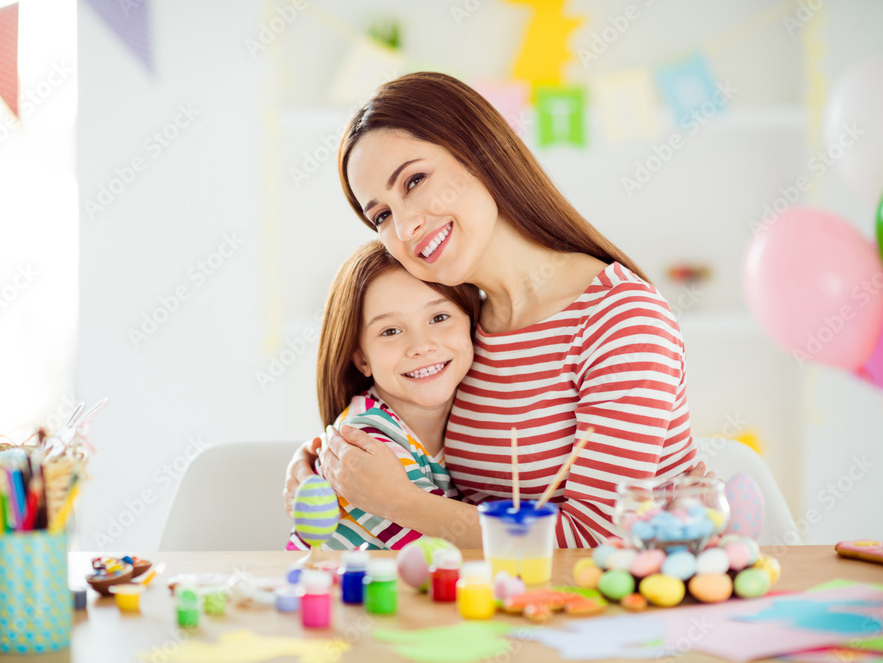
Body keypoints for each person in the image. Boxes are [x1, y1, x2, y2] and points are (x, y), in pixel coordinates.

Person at [285, 71, 699, 548]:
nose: (405, 225)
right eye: (380, 215)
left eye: (415, 180)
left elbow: (594, 541)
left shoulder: (621, 319)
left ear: (482, 155)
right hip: (493, 610)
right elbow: (410, 437)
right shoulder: (460, 328)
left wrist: (399, 503)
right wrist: (326, 465)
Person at [288, 240, 481, 550]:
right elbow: (444, 553)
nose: (421, 345)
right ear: (362, 359)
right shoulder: (367, 439)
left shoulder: (475, 413)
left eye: (439, 318)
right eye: (390, 331)